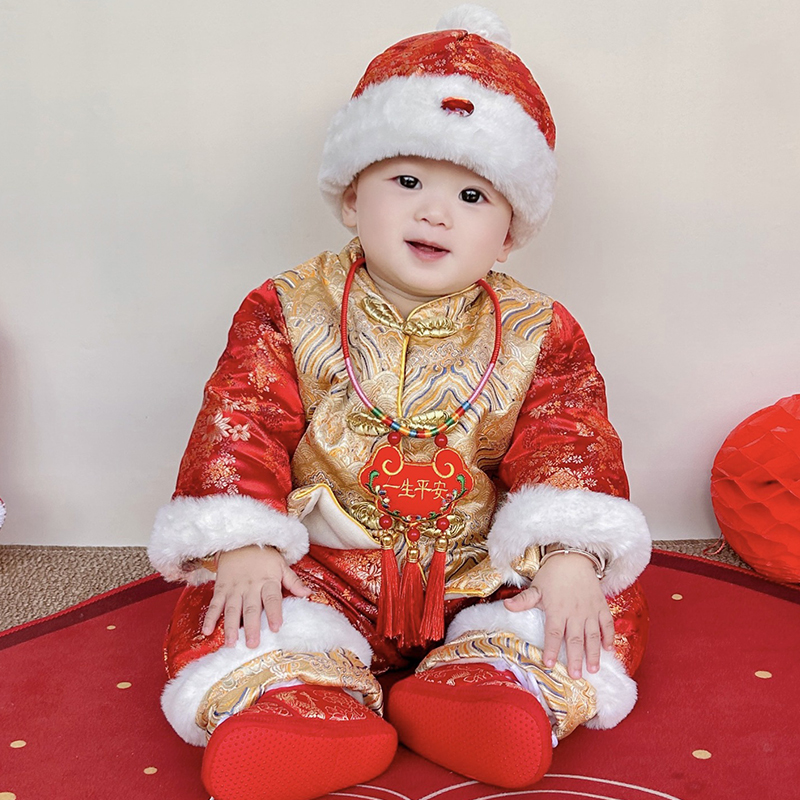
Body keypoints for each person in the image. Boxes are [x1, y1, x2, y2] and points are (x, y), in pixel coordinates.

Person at [148, 6, 651, 800]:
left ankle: (487, 688)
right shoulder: (287, 306)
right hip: (327, 565)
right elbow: (239, 422)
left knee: (594, 609)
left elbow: (568, 439)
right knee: (228, 607)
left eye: (473, 196)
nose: (433, 211)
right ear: (352, 198)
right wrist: (242, 543)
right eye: (406, 181)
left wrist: (567, 556)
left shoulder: (539, 330)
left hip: (476, 570)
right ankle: (296, 703)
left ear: (510, 234)